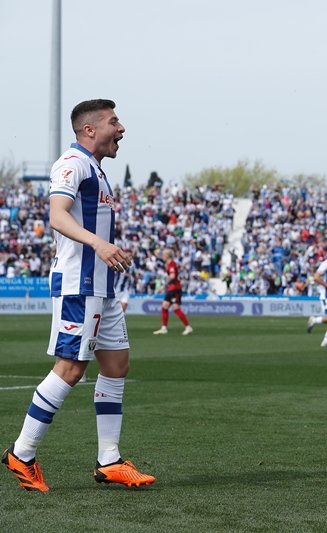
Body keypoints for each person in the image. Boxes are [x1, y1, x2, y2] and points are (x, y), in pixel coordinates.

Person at [2, 99, 155, 492]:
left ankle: (109, 461)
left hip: (102, 287)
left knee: (117, 365)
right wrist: (100, 246)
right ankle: (21, 453)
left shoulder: (98, 171)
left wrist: (108, 249)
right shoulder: (72, 163)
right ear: (90, 129)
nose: (121, 128)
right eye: (113, 121)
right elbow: (57, 214)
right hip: (79, 285)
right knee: (71, 369)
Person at [153, 249, 193, 335]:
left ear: (167, 256)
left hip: (175, 289)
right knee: (165, 306)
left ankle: (188, 327)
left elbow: (172, 276)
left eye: (163, 255)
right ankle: (164, 328)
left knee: (175, 308)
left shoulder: (171, 264)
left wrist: (163, 286)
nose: (162, 257)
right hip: (173, 289)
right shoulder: (170, 264)